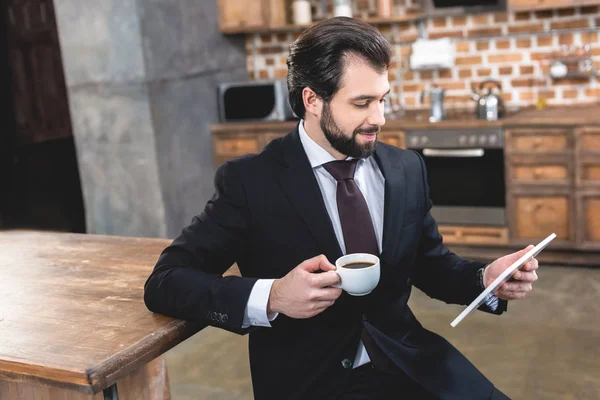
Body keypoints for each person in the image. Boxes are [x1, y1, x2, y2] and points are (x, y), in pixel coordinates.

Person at [144, 17, 539, 400]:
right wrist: (273, 296)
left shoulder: (405, 169)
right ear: (312, 100)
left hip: (411, 363)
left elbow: (430, 263)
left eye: (382, 99)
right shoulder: (250, 182)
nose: (379, 118)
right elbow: (166, 282)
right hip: (309, 382)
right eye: (362, 103)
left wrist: (485, 278)